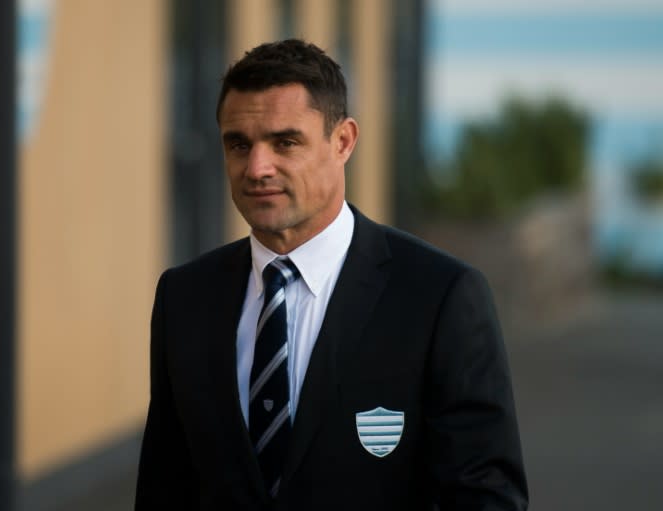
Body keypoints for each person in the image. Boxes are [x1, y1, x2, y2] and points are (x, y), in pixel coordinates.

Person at [135, 38, 528, 510]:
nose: (257, 167)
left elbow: (485, 498)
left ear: (343, 142)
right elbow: (165, 486)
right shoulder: (185, 298)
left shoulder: (439, 297)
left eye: (286, 142)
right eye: (239, 144)